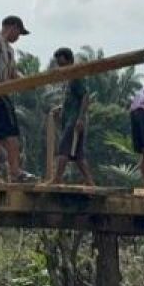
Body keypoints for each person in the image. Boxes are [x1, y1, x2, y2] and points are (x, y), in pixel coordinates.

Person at [0, 16, 36, 183]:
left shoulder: (9, 50)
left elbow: (13, 74)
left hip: (2, 93)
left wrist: (28, 82)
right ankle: (15, 172)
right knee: (11, 134)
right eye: (19, 33)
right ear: (13, 27)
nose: (18, 37)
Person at [48, 47, 94, 186]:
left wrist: (80, 118)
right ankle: (90, 181)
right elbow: (74, 100)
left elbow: (85, 96)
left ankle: (57, 178)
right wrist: (61, 109)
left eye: (62, 64)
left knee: (63, 149)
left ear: (69, 61)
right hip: (70, 118)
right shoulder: (69, 80)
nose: (60, 67)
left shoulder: (75, 76)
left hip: (74, 121)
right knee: (78, 155)